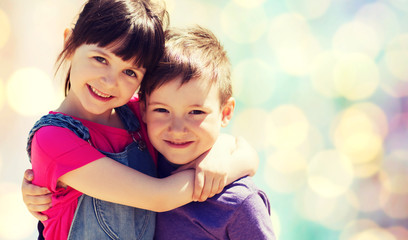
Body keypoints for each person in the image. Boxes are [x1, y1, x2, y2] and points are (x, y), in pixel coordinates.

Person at [22, 0, 258, 239]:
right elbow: (159, 197)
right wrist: (222, 172)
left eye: (130, 72)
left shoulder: (139, 114)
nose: (110, 82)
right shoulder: (52, 139)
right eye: (100, 59)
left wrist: (219, 155)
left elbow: (244, 152)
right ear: (70, 43)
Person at [139, 25, 275, 239]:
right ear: (143, 109)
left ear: (225, 112)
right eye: (162, 110)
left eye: (195, 112)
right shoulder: (138, 165)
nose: (176, 129)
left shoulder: (239, 202)